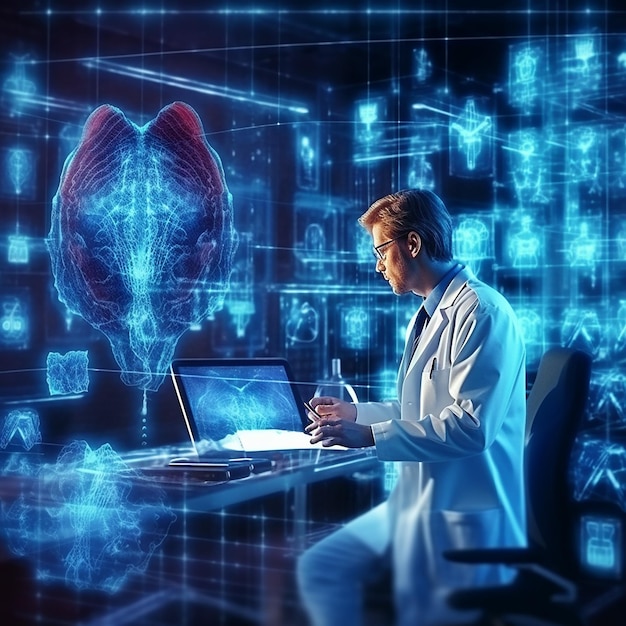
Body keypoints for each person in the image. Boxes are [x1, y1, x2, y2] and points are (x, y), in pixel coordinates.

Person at [296, 189, 527, 626]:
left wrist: (368, 437)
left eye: (381, 250)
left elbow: (469, 427)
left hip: (461, 512)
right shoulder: (427, 313)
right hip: (415, 502)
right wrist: (355, 414)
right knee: (322, 568)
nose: (377, 265)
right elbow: (416, 410)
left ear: (413, 244)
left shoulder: (481, 312)